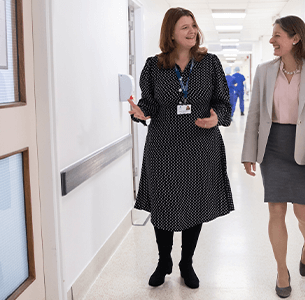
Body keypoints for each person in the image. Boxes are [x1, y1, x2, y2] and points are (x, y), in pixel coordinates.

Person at [128, 7, 234, 289]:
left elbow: (224, 103)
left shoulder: (210, 63)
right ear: (171, 34)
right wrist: (140, 112)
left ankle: (186, 262)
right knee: (163, 205)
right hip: (163, 144)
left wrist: (216, 118)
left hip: (201, 144)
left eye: (193, 26)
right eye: (185, 27)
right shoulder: (154, 66)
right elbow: (149, 103)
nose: (192, 31)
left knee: (193, 204)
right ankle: (164, 260)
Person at [241, 15, 305, 298]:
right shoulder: (265, 71)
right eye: (272, 35)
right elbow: (255, 113)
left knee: (303, 213)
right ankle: (281, 270)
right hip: (273, 147)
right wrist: (249, 153)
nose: (272, 40)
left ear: (295, 38)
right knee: (276, 210)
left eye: (277, 35)